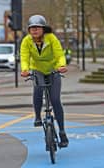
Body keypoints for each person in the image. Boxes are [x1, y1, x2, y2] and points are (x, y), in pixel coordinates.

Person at [20, 15, 69, 147]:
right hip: (38, 70)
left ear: (43, 29)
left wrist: (62, 65)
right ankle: (37, 117)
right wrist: (25, 69)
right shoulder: (26, 41)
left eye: (37, 27)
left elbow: (59, 54)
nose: (34, 30)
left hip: (53, 70)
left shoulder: (51, 38)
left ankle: (62, 132)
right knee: (37, 89)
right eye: (32, 28)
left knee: (55, 100)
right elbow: (24, 57)